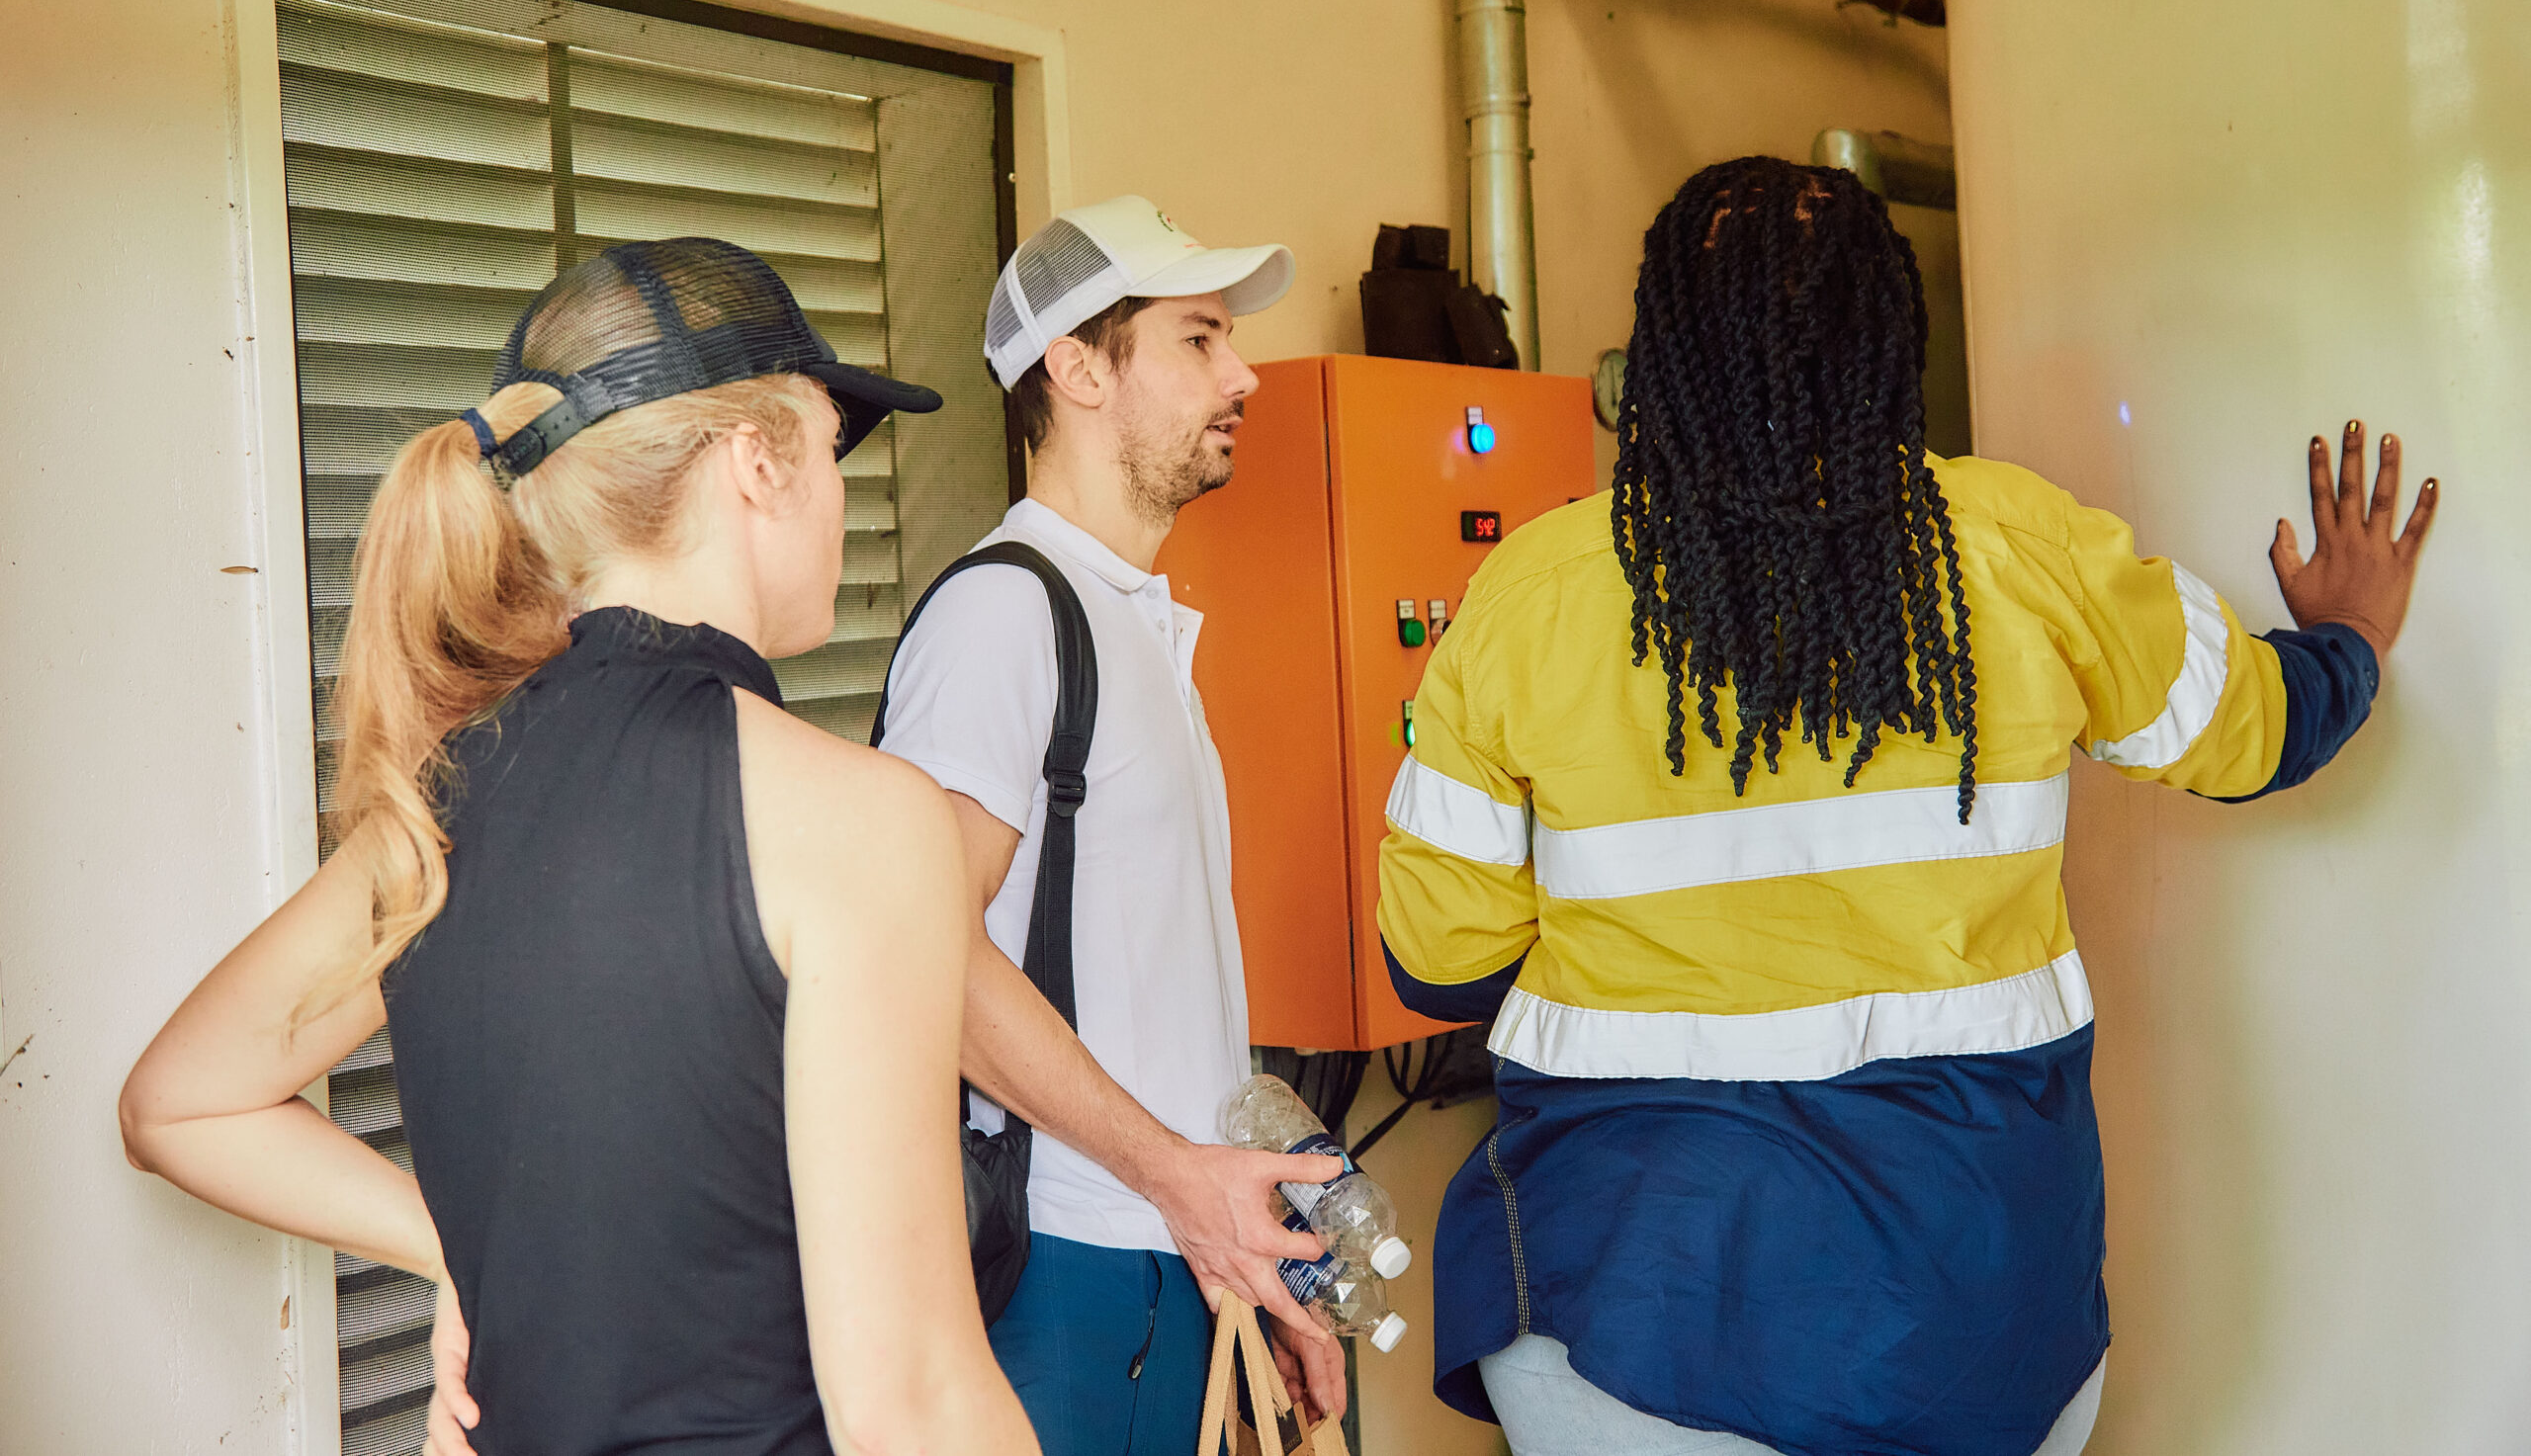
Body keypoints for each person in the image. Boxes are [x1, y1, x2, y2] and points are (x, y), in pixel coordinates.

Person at [1377, 157, 2438, 1456]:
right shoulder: (2020, 544)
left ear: (1659, 355)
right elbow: (2254, 734)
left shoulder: (1534, 590)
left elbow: (1437, 965)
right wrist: (2348, 640)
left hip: (1634, 1311)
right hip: (1976, 1320)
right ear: (1887, 340)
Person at [120, 238, 1037, 1456]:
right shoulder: (858, 819)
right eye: (831, 447)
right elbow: (908, 1403)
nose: (841, 496)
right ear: (755, 462)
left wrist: (454, 1248)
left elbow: (179, 1104)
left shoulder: (436, 812)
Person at [877, 194, 1351, 1454]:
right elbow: (921, 958)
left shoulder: (1126, 620)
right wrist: (1173, 1182)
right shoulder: (1002, 615)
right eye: (1199, 338)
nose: (1243, 374)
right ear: (1079, 369)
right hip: (1070, 1269)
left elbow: (1157, 1006)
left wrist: (1247, 1244)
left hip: (1167, 1255)